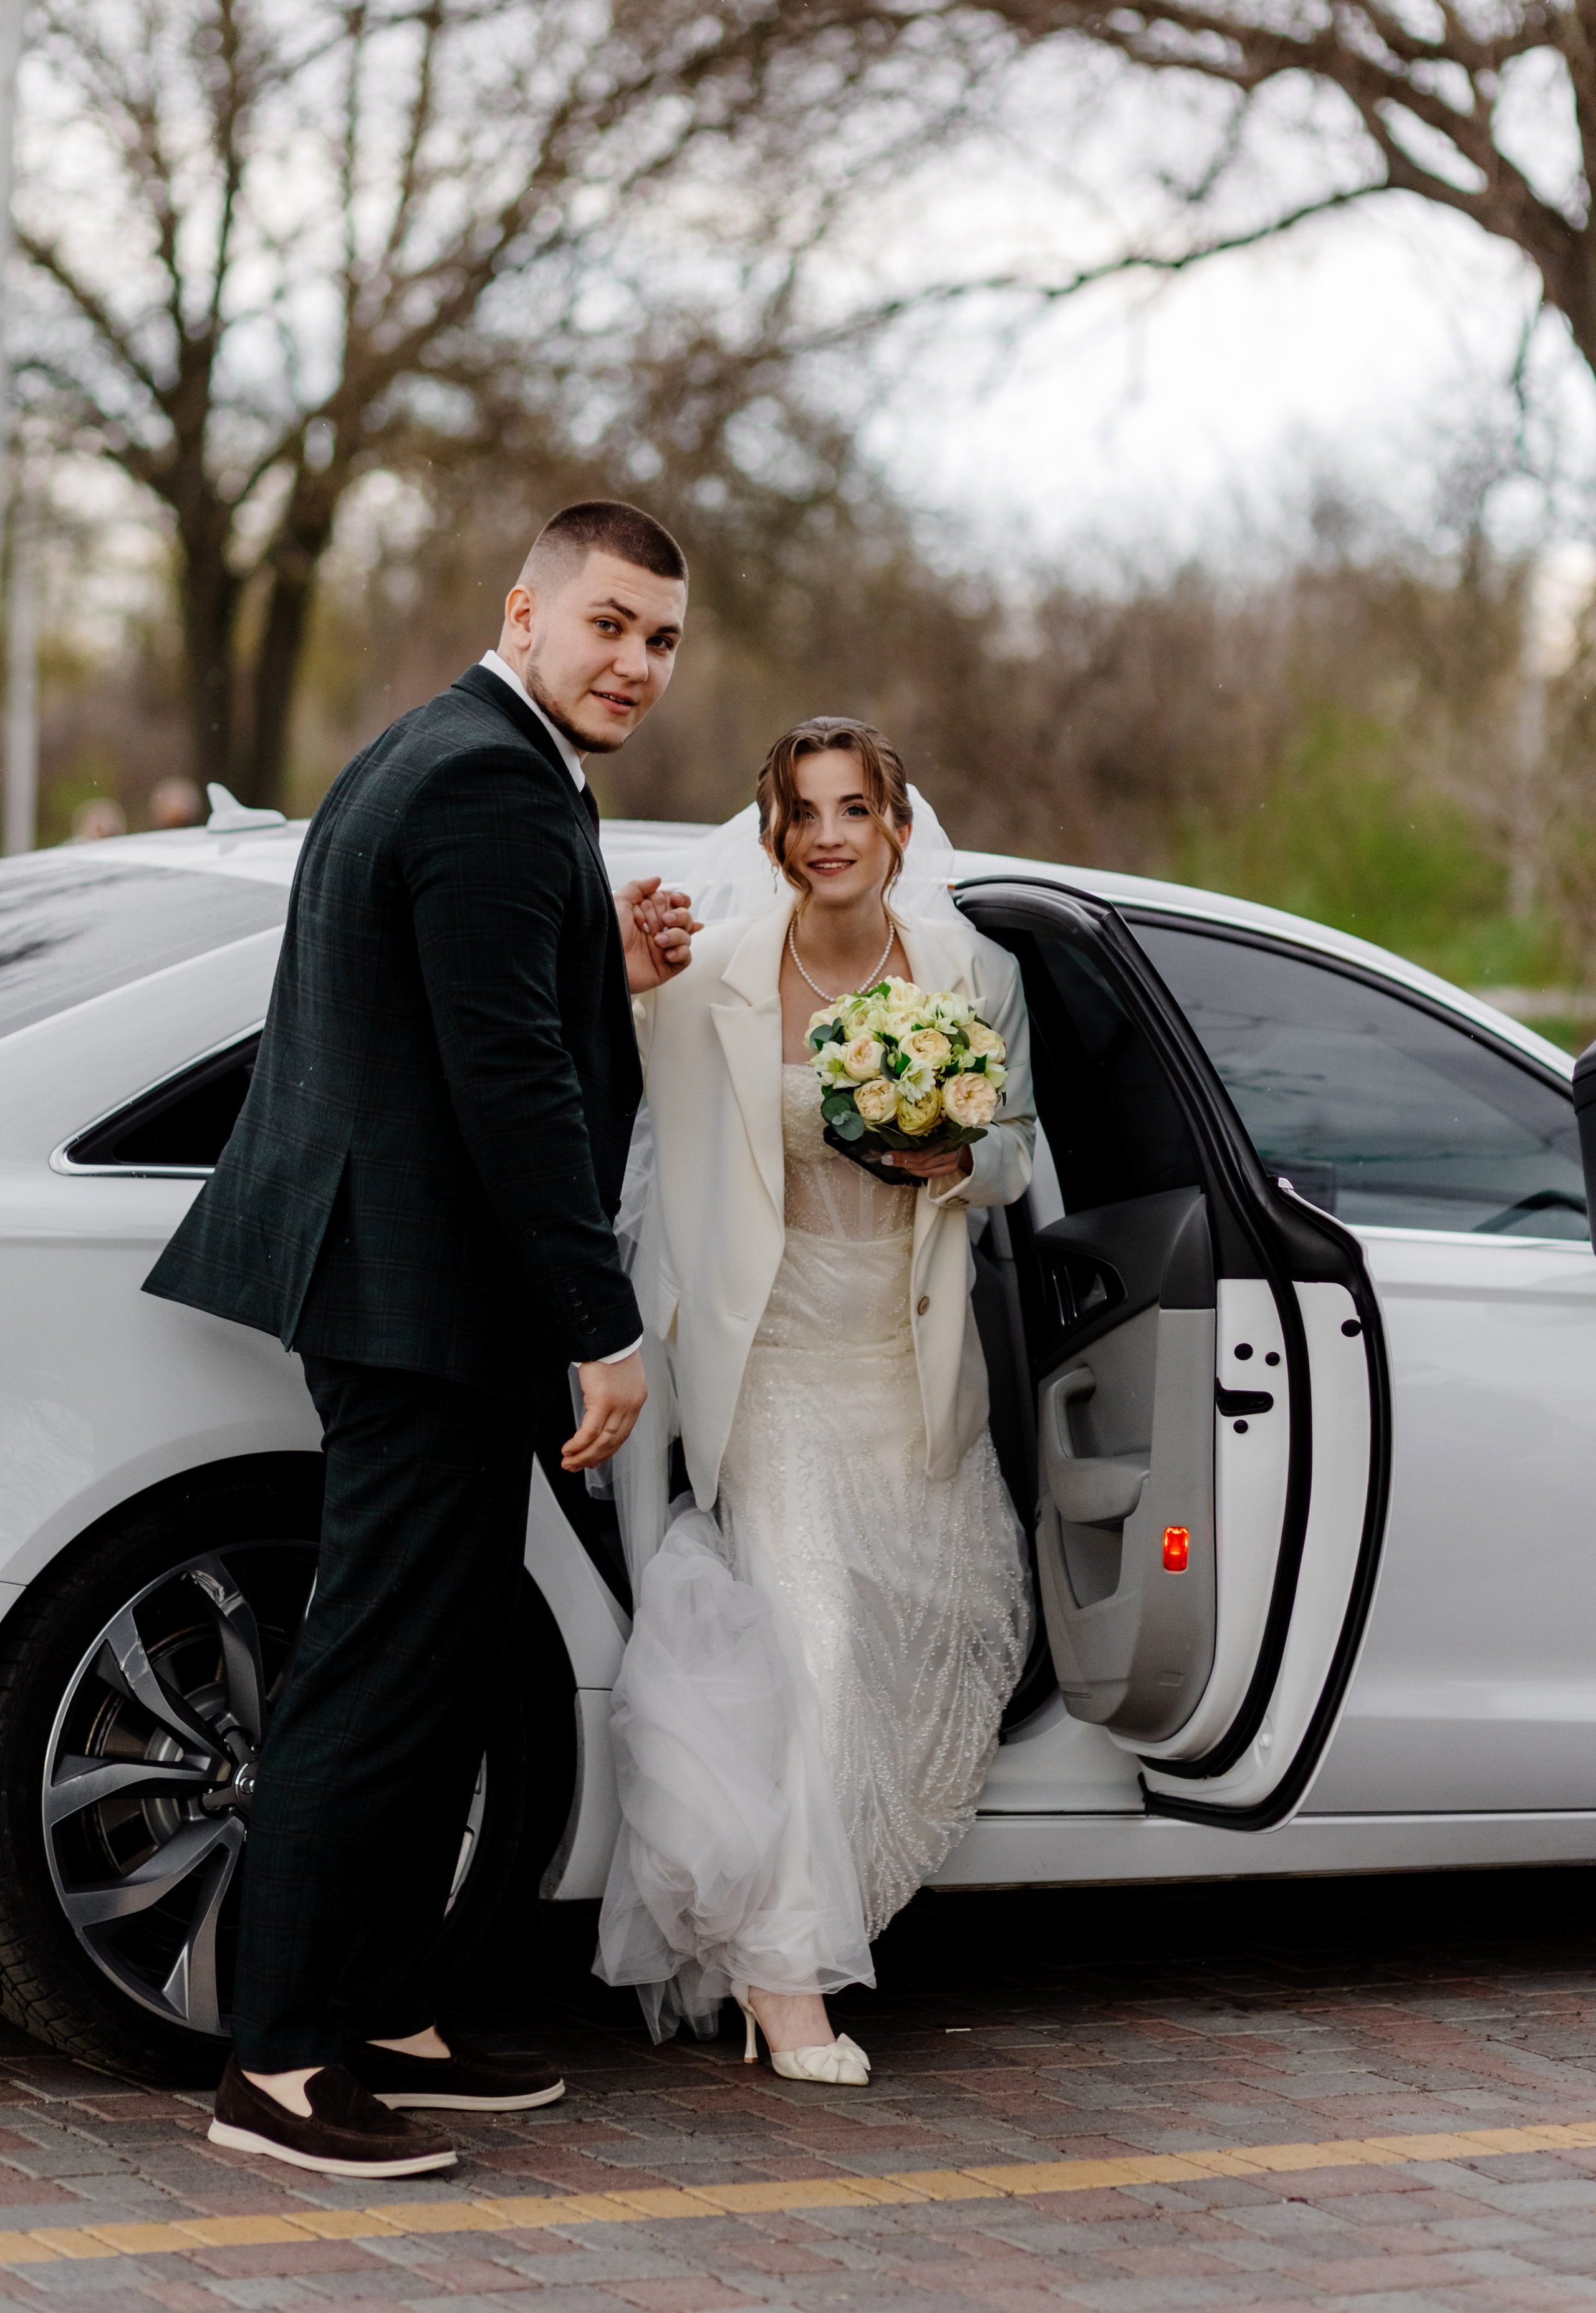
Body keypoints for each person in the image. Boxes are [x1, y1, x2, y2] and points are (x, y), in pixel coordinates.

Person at [142, 499, 696, 2179]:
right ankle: (281, 2063)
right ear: (526, 608)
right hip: (424, 1303)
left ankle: (386, 2008)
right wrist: (599, 1329)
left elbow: (457, 995)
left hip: (412, 1288)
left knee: (440, 1661)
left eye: (662, 639)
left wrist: (600, 962)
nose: (637, 662)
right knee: (378, 1669)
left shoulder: (450, 752)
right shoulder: (487, 777)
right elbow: (502, 1076)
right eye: (609, 623)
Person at [595, 717, 1033, 2082]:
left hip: (907, 1367)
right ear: (772, 834)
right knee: (818, 1653)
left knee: (920, 1645)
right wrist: (617, 980)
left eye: (853, 809)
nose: (828, 835)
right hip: (770, 1362)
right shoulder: (711, 972)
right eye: (801, 812)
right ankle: (784, 1981)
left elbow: (1018, 1157)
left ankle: (809, 1917)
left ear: (897, 828)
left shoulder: (975, 971)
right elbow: (606, 1095)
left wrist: (949, 1154)